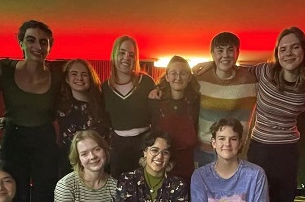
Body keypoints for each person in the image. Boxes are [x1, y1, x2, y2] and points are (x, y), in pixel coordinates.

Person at [247, 27, 305, 202]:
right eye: (283, 49)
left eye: (295, 47)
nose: (288, 53)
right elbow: (234, 72)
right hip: (259, 148)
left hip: (287, 151)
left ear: (304, 51)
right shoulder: (265, 71)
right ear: (277, 53)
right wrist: (205, 66)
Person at [0, 20, 62, 202]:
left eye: (44, 42)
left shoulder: (57, 75)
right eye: (31, 40)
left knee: (46, 192)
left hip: (44, 137)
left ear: (49, 47)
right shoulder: (5, 70)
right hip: (13, 137)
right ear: (21, 43)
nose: (38, 46)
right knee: (15, 192)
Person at [192, 32, 257, 167]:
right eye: (220, 51)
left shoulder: (250, 80)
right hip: (204, 152)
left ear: (237, 53)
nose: (225, 55)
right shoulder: (200, 79)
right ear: (212, 53)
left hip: (236, 152)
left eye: (230, 50)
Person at [102, 35, 156, 178]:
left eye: (131, 55)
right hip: (118, 145)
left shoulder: (146, 82)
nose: (126, 57)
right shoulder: (104, 88)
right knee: (119, 185)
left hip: (144, 141)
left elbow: (158, 113)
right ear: (114, 55)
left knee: (146, 183)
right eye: (122, 52)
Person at [148, 55, 200, 183]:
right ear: (167, 77)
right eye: (173, 73)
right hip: (160, 165)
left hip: (186, 166)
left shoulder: (196, 102)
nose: (178, 77)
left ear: (189, 78)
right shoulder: (155, 101)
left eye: (183, 73)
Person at [56, 59, 111, 177]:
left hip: (99, 165)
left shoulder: (103, 103)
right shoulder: (59, 105)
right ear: (67, 79)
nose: (79, 78)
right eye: (74, 74)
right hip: (69, 165)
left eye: (84, 74)